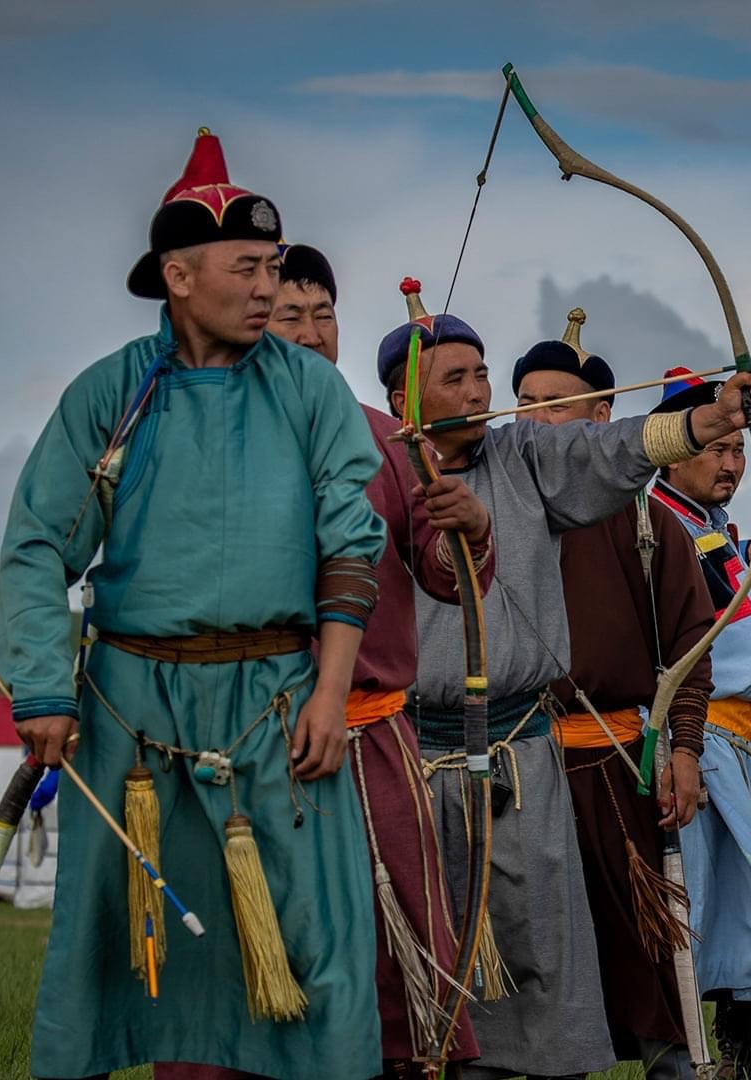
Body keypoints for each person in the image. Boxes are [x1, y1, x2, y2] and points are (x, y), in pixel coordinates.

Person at [0, 128, 387, 1077]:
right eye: (247, 268)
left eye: (274, 267)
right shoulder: (111, 394)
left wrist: (332, 695)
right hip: (131, 709)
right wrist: (44, 692)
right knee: (103, 945)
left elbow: (350, 546)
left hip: (281, 703)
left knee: (319, 943)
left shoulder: (309, 392)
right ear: (179, 275)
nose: (267, 289)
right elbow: (41, 544)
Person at [398, 301, 751, 1079]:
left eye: (480, 377)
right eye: (461, 380)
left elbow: (626, 448)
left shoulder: (545, 471)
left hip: (565, 758)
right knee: (447, 954)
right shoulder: (379, 475)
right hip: (428, 759)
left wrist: (706, 421)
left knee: (581, 953)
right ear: (407, 399)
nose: (486, 398)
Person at [271, 250, 493, 1071]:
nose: (309, 332)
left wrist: (466, 526)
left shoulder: (387, 439)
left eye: (321, 314)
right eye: (288, 316)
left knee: (398, 939)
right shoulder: (210, 437)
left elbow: (440, 571)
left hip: (369, 737)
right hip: (252, 735)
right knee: (270, 938)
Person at [524, 313, 714, 1080]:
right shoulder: (495, 511)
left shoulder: (649, 521)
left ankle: (669, 1065)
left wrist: (687, 751)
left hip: (615, 762)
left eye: (556, 404)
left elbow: (691, 648)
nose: (534, 419)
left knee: (640, 944)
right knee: (532, 940)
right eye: (524, 402)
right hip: (517, 768)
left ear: (604, 419)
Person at [647, 367, 751, 1078]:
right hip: (690, 741)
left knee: (750, 900)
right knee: (697, 908)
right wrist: (676, 745)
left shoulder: (716, 534)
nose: (729, 462)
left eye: (737, 450)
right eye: (715, 447)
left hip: (740, 744)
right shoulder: (648, 525)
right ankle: (685, 1058)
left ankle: (746, 1055)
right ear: (671, 446)